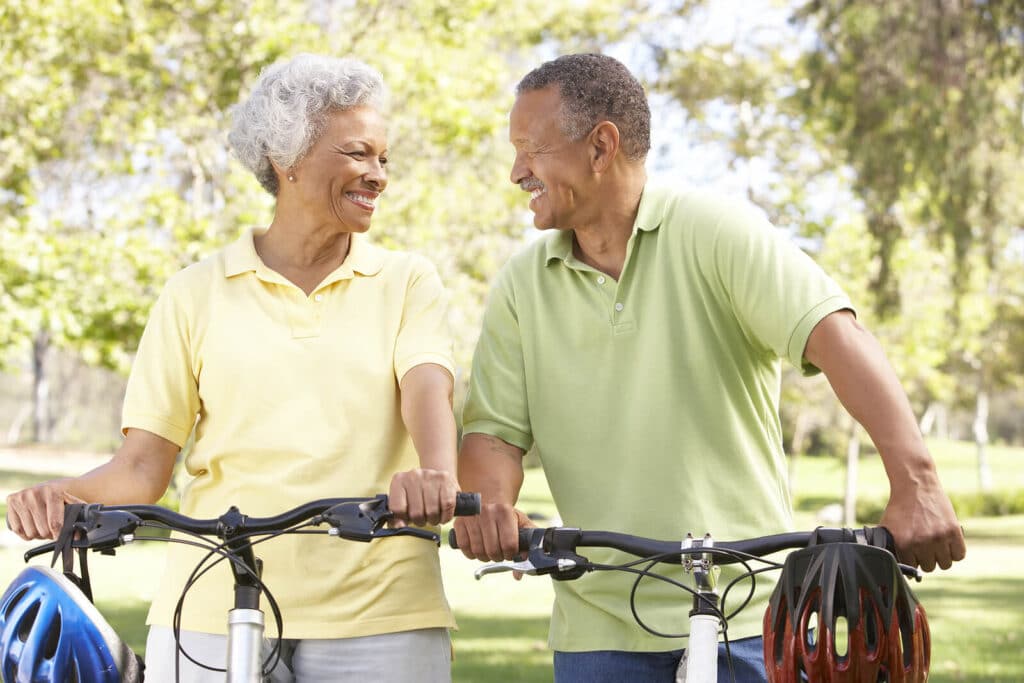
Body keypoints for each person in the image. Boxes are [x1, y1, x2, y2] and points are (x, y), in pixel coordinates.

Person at [452, 53, 966, 683]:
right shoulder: (522, 284)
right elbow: (494, 433)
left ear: (600, 146)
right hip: (598, 626)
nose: (515, 172)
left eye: (530, 150)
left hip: (747, 614)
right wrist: (491, 507)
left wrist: (916, 483)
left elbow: (834, 334)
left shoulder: (714, 232)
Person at [6, 54, 460, 682]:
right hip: (213, 603)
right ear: (288, 158)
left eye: (384, 159)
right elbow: (142, 468)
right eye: (359, 154)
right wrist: (61, 497)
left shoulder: (406, 280)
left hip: (381, 610)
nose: (378, 175)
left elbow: (426, 386)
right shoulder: (195, 292)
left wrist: (434, 474)